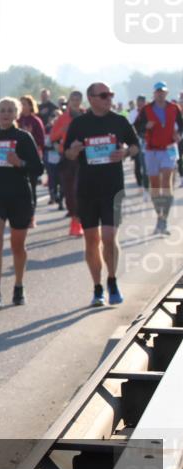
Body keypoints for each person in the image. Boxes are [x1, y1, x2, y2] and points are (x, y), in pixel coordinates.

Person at [63, 82, 140, 307]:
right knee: (91, 239)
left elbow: (136, 146)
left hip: (112, 188)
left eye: (111, 95)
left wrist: (125, 152)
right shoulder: (79, 124)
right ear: (92, 98)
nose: (109, 98)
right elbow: (67, 153)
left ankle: (112, 280)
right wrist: (74, 150)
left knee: (108, 236)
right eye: (104, 95)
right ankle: (97, 288)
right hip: (87, 188)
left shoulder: (119, 121)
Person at [0, 98, 43, 307]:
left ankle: (18, 285)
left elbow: (38, 168)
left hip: (19, 196)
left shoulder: (24, 138)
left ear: (16, 113)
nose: (5, 114)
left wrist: (20, 163)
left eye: (9, 110)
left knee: (17, 245)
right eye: (2, 110)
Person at [139, 82, 183, 235]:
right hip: (151, 150)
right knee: (155, 185)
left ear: (167, 93)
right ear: (154, 93)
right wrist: (146, 126)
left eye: (163, 92)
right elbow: (137, 127)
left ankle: (164, 220)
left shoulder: (174, 108)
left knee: (166, 182)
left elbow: (181, 125)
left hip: (169, 149)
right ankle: (159, 216)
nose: (160, 94)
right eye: (158, 92)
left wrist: (179, 135)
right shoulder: (146, 109)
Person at [51, 90, 87, 236]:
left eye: (78, 99)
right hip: (66, 157)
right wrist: (62, 130)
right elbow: (53, 136)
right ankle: (74, 218)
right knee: (68, 190)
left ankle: (79, 222)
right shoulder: (62, 118)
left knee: (79, 189)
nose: (75, 102)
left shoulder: (86, 117)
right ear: (69, 101)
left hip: (82, 157)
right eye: (73, 99)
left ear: (81, 101)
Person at [18, 95, 46, 223]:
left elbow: (41, 140)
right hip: (15, 159)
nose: (22, 106)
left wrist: (30, 135)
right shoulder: (16, 120)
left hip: (31, 158)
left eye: (24, 104)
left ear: (30, 105)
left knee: (32, 186)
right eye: (20, 103)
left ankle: (31, 216)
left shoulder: (35, 121)